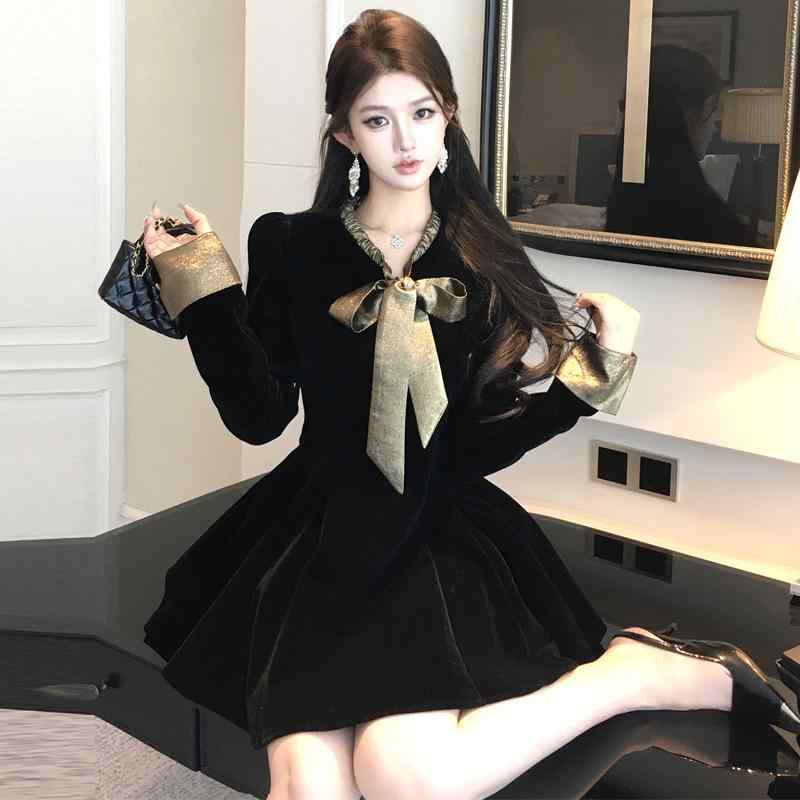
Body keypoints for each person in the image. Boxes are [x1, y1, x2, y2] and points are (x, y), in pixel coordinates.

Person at [139, 11, 798, 800]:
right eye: (377, 120)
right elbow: (259, 416)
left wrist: (589, 377)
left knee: (405, 776)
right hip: (316, 536)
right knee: (311, 786)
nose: (405, 141)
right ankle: (623, 675)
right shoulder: (289, 243)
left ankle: (624, 676)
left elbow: (474, 443)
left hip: (434, 535)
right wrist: (203, 289)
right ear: (345, 135)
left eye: (421, 112)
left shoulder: (479, 253)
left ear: (448, 114)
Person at [605, 44, 756, 247]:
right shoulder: (705, 218)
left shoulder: (626, 202)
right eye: (714, 111)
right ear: (703, 109)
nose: (714, 127)